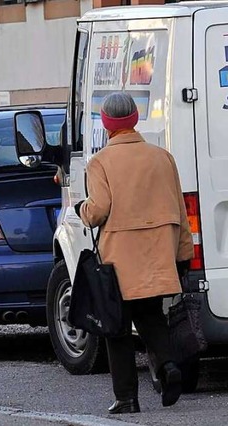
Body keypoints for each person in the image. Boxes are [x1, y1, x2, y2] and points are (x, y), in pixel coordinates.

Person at [74, 92, 194, 414]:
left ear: (107, 124)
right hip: (158, 254)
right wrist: (184, 254)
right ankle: (168, 366)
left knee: (116, 328)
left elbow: (98, 210)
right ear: (134, 120)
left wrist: (81, 209)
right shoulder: (162, 157)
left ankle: (127, 398)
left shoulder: (100, 162)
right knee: (150, 316)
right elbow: (180, 212)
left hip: (119, 259)